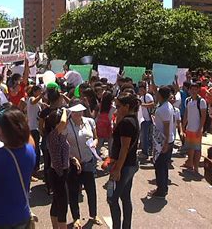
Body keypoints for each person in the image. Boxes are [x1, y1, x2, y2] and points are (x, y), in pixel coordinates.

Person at [65, 100, 102, 228]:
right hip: (73, 163)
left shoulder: (89, 121)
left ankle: (94, 214)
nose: (78, 114)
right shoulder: (66, 125)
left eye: (80, 111)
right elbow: (62, 145)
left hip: (88, 161)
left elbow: (96, 137)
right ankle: (76, 218)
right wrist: (72, 158)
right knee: (74, 191)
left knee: (91, 190)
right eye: (75, 111)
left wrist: (95, 143)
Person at [108, 93, 141, 229]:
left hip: (125, 165)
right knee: (125, 197)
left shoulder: (127, 122)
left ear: (127, 107)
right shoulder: (131, 119)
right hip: (130, 164)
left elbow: (124, 147)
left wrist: (117, 169)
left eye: (118, 106)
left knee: (112, 198)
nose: (116, 109)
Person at [149, 86, 175, 198]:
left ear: (160, 95)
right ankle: (163, 188)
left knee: (160, 166)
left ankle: (161, 190)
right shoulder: (165, 105)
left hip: (163, 141)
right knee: (163, 166)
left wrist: (165, 144)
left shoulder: (164, 109)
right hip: (164, 140)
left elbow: (166, 126)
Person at [45, 108, 69, 229]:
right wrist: (65, 110)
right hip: (57, 173)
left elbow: (62, 152)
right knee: (62, 204)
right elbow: (64, 122)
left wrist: (72, 159)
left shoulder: (59, 135)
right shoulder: (53, 135)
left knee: (56, 201)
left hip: (60, 172)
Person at [182, 82, 207, 173]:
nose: (193, 91)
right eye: (192, 89)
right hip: (189, 128)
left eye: (195, 89)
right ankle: (190, 164)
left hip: (197, 129)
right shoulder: (188, 100)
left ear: (198, 90)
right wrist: (183, 126)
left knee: (197, 149)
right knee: (190, 148)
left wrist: (200, 129)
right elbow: (186, 114)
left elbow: (203, 116)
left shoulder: (202, 101)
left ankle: (196, 168)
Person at [26, 85, 43, 179]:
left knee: (36, 149)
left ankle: (35, 169)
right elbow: (33, 102)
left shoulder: (38, 101)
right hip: (33, 128)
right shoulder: (31, 98)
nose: (40, 93)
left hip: (36, 128)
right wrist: (41, 96)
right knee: (35, 149)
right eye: (39, 91)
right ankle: (33, 170)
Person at [138, 83, 154, 158]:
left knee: (145, 137)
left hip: (147, 119)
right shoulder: (141, 97)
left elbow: (152, 104)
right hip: (143, 119)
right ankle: (147, 151)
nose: (140, 91)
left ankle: (145, 153)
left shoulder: (147, 96)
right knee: (145, 136)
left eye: (142, 89)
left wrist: (142, 104)